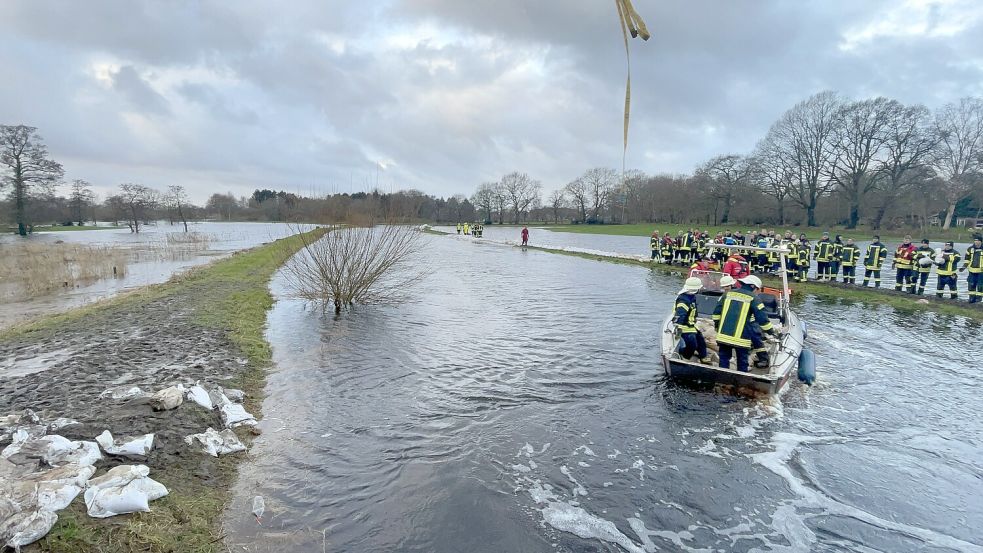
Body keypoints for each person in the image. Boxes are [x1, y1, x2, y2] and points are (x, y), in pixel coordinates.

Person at [712, 275, 777, 373]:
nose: (757, 291)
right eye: (757, 289)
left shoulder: (727, 295)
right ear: (752, 286)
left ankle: (722, 379)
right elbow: (762, 319)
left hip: (723, 336)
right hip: (741, 339)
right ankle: (739, 382)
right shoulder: (754, 298)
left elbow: (716, 313)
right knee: (742, 363)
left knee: (724, 359)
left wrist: (717, 326)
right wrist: (771, 331)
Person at [674, 277, 713, 364]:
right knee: (692, 344)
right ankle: (685, 357)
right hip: (684, 326)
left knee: (701, 341)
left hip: (691, 325)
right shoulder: (683, 300)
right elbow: (680, 315)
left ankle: (703, 357)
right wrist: (678, 328)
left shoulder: (691, 297)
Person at [962, 235, 983, 303]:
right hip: (971, 270)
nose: (976, 242)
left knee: (980, 285)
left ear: (981, 241)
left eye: (977, 241)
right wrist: (964, 267)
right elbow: (967, 259)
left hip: (981, 271)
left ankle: (979, 299)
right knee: (971, 284)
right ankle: (971, 298)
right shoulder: (970, 249)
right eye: (975, 241)